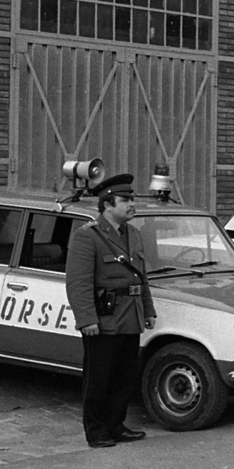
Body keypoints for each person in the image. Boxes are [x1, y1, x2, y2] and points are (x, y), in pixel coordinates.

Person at [65, 172, 156, 448]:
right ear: (107, 205)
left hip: (130, 317)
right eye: (125, 200)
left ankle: (116, 425)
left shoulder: (134, 235)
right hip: (103, 320)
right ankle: (96, 430)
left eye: (132, 199)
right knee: (99, 378)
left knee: (125, 377)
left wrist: (148, 310)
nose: (131, 204)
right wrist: (87, 319)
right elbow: (78, 284)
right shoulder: (88, 237)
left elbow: (140, 277)